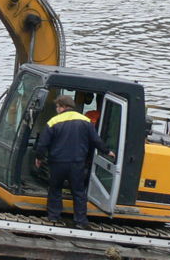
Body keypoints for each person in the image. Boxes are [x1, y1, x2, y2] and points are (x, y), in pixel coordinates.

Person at [35, 94, 113, 227]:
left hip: (58, 163)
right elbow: (95, 140)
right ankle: (80, 221)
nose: (57, 109)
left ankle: (54, 217)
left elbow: (43, 143)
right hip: (77, 163)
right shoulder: (86, 121)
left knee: (55, 189)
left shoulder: (53, 122)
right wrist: (107, 151)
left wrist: (39, 157)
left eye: (57, 107)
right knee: (78, 192)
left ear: (63, 107)